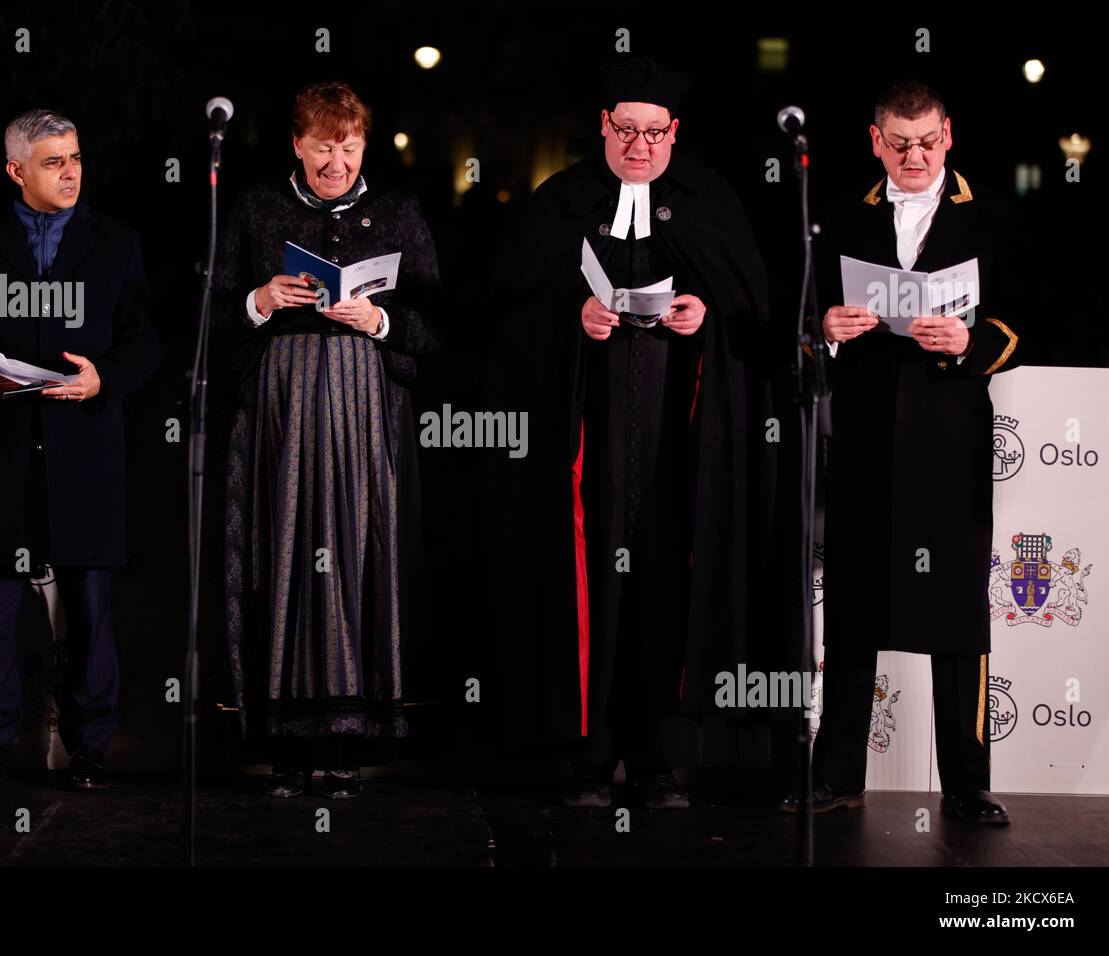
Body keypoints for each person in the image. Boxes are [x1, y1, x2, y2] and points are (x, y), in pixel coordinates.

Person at [483, 58, 778, 809]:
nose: (639, 146)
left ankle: (657, 760)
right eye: (625, 130)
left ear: (675, 132)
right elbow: (505, 314)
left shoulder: (710, 201)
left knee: (666, 584)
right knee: (591, 589)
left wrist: (705, 316)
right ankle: (586, 757)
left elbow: (754, 313)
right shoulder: (563, 201)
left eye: (653, 132)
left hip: (677, 442)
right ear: (603, 127)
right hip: (587, 446)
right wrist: (571, 317)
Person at [782, 79, 1030, 825]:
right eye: (899, 144)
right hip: (863, 437)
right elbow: (797, 322)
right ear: (875, 141)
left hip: (951, 438)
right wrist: (825, 329)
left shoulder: (991, 214)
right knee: (853, 606)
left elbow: (1023, 320)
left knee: (958, 612)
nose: (914, 156)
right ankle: (836, 774)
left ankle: (966, 784)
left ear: (947, 135)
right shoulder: (837, 216)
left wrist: (969, 340)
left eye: (926, 142)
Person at [216, 81, 442, 799]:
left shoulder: (398, 213)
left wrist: (379, 322)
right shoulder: (258, 207)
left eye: (347, 148)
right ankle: (286, 744)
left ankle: (348, 742)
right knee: (281, 556)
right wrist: (259, 302)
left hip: (364, 415)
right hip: (279, 412)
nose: (335, 163)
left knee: (354, 559)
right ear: (297, 144)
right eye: (321, 148)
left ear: (364, 146)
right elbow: (209, 313)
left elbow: (437, 326)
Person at [0, 109, 162, 790]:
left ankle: (89, 749)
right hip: (5, 447)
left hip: (85, 447)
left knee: (90, 604)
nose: (70, 172)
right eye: (54, 161)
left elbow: (144, 340)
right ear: (16, 170)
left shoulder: (117, 242)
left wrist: (102, 378)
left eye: (76, 158)